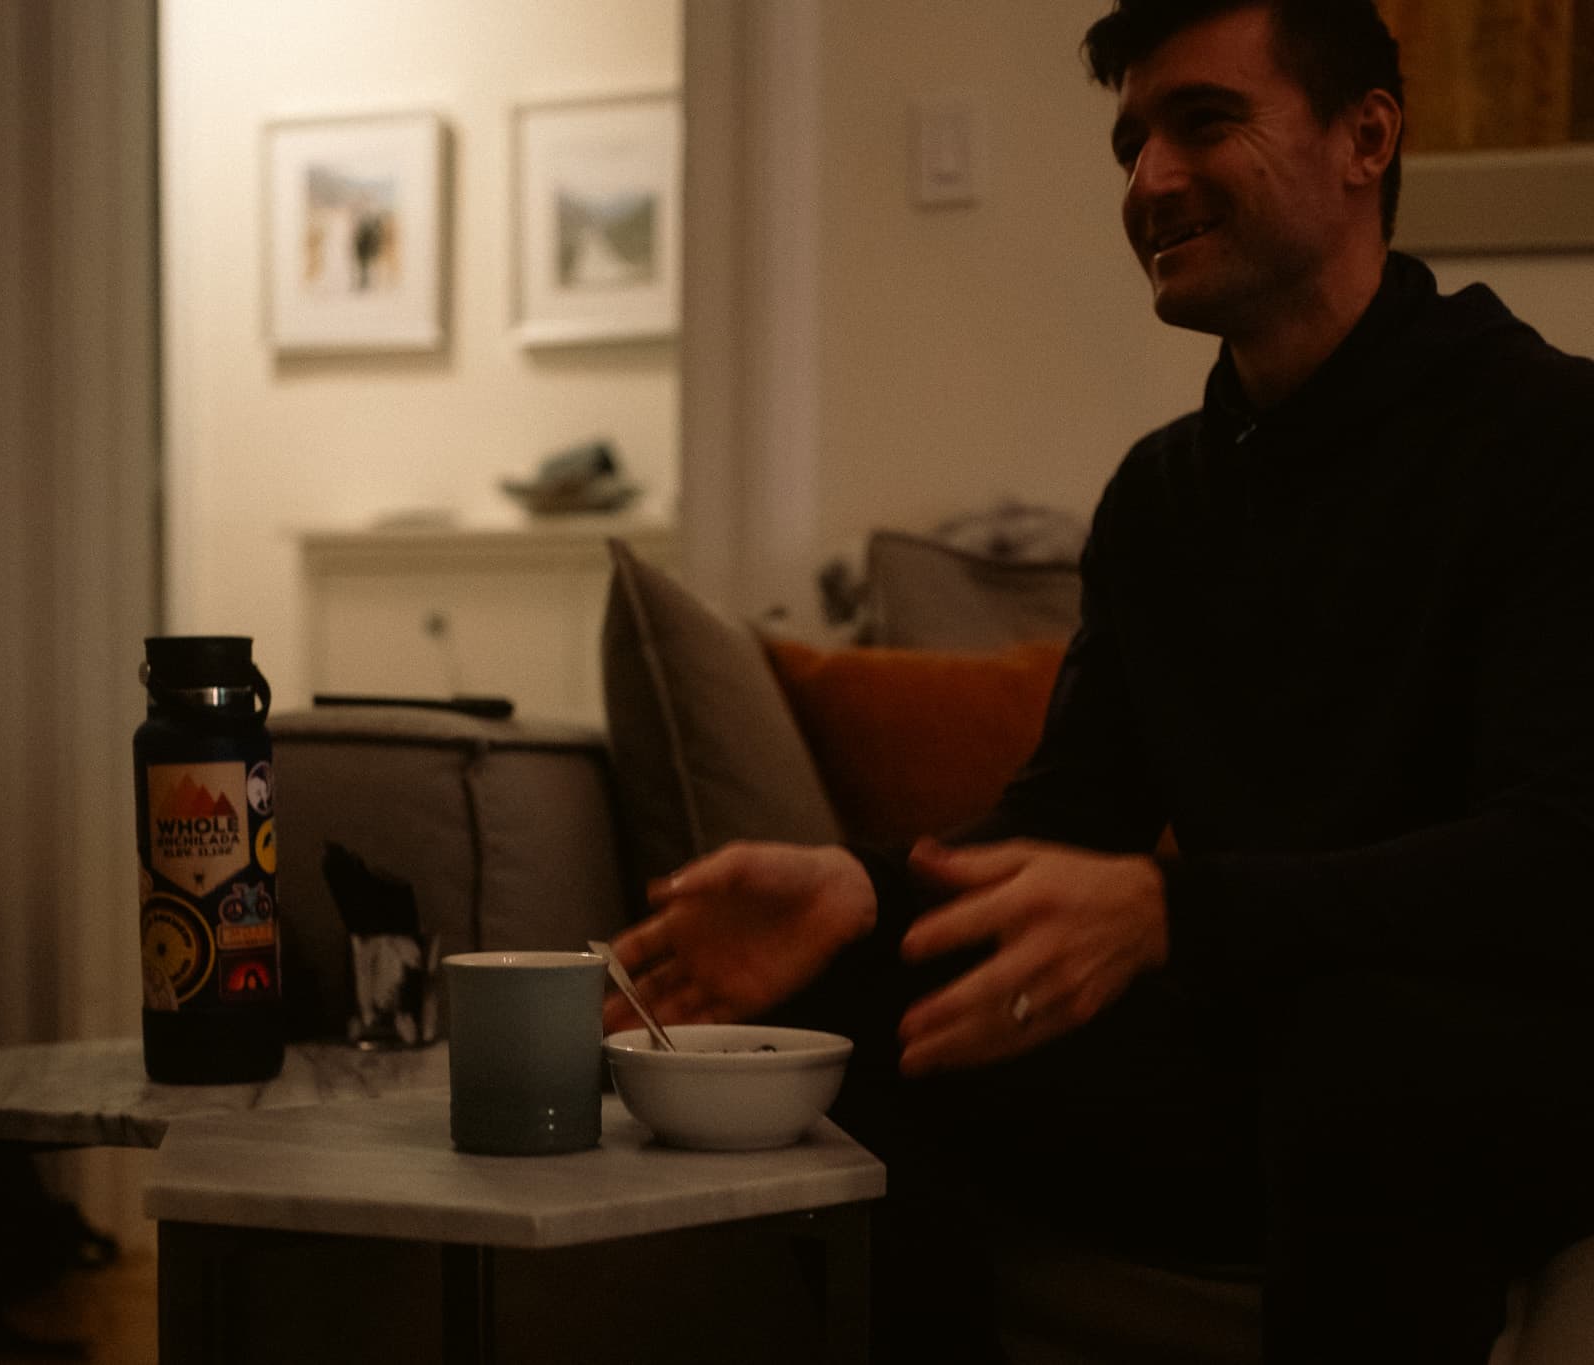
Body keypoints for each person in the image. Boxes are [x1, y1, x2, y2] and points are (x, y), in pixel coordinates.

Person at [603, 2, 1594, 1361]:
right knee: (864, 1020)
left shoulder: (1550, 437)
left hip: (1511, 1048)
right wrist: (864, 891)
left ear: (1368, 136)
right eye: (1132, 141)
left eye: (1204, 122)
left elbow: (1556, 862)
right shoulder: (1165, 497)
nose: (1147, 181)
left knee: (1365, 1046)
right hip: (1262, 1051)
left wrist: (1179, 910)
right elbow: (1070, 823)